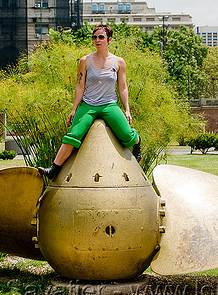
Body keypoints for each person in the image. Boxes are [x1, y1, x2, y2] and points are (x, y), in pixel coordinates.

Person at [38, 24, 141, 180]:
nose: (97, 40)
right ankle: (54, 169)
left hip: (109, 105)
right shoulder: (85, 61)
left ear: (109, 39)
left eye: (101, 37)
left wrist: (127, 109)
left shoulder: (119, 62)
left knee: (126, 134)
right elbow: (80, 86)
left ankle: (138, 143)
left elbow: (123, 87)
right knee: (74, 134)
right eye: (94, 37)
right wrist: (74, 109)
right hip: (89, 105)